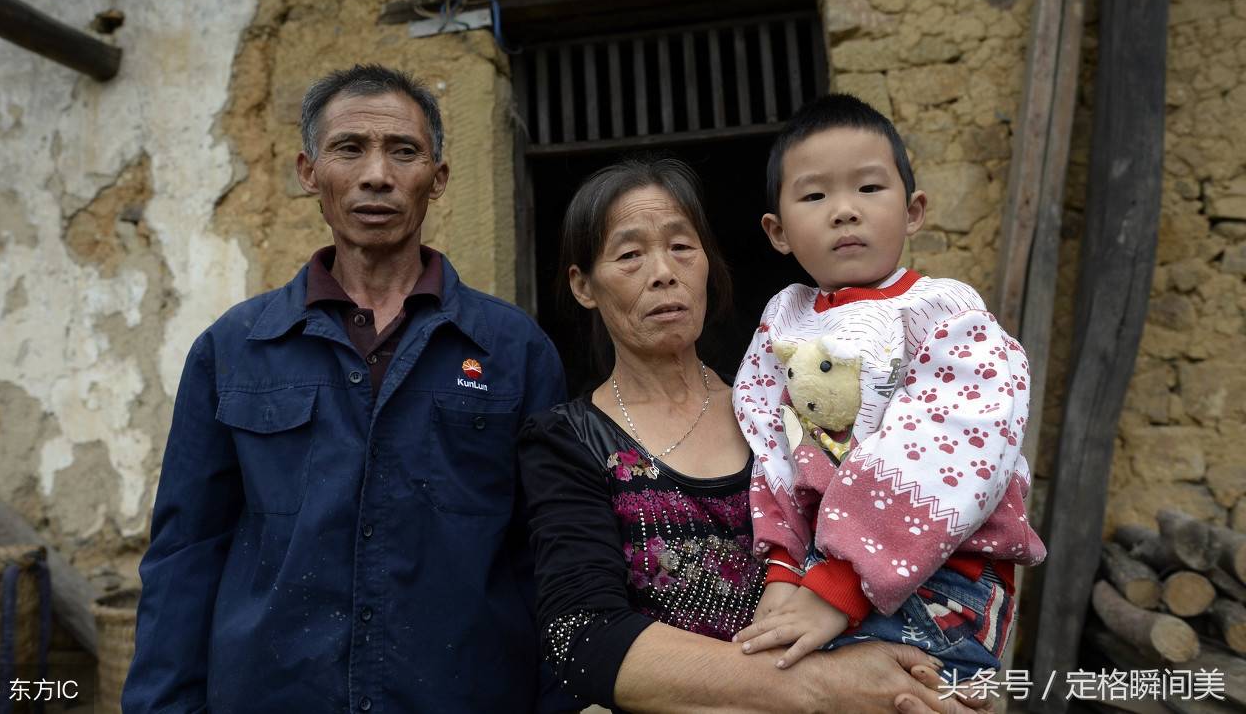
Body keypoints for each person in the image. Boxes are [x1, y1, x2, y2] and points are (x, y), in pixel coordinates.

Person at [123, 64, 569, 712]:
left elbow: (550, 559)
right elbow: (185, 556)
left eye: (404, 151)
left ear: (437, 179)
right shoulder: (233, 350)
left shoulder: (514, 351)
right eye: (349, 148)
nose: (377, 176)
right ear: (310, 173)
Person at [520, 156, 997, 713]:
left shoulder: (782, 405)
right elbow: (583, 639)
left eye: (682, 247)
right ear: (584, 286)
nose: (663, 272)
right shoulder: (567, 441)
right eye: (629, 255)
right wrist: (827, 685)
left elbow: (902, 519)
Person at [731, 94, 1046, 680]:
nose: (844, 210)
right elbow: (772, 445)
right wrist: (781, 567)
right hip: (824, 578)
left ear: (913, 210)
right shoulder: (784, 321)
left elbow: (950, 444)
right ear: (777, 231)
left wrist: (835, 587)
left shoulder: (943, 314)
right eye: (815, 195)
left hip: (945, 579)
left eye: (869, 189)